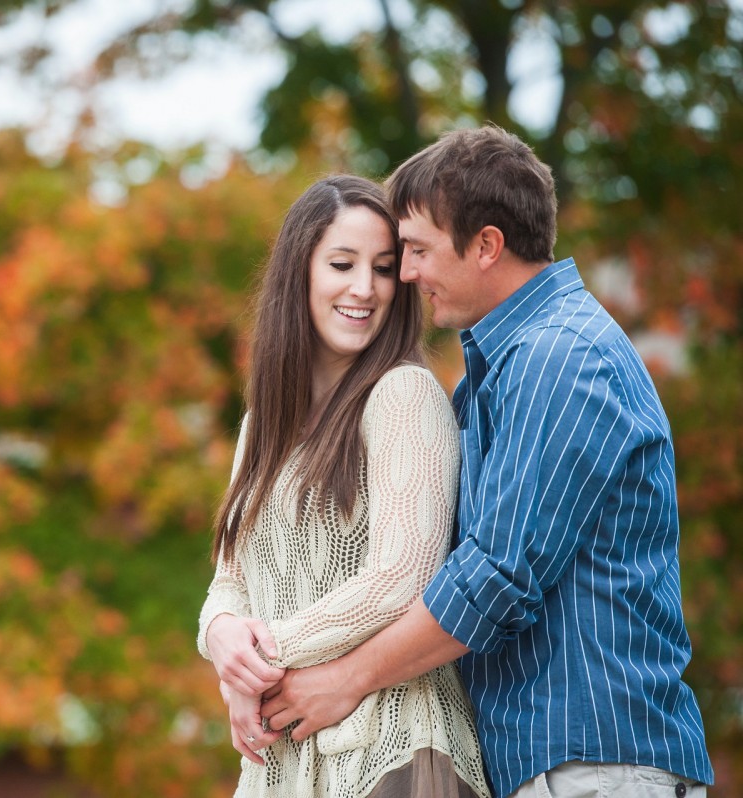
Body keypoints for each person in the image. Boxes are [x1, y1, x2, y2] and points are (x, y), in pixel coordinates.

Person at [258, 126, 715, 798]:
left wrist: (344, 677)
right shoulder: (497, 373)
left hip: (596, 765)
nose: (406, 275)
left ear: (487, 246)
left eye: (415, 251)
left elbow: (496, 576)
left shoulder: (561, 359)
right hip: (550, 767)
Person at [197, 174, 490, 798]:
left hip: (394, 757)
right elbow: (230, 580)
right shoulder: (261, 427)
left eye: (385, 268)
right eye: (341, 264)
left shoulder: (403, 396)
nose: (365, 288)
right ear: (296, 273)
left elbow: (401, 577)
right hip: (284, 770)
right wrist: (222, 638)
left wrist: (260, 663)